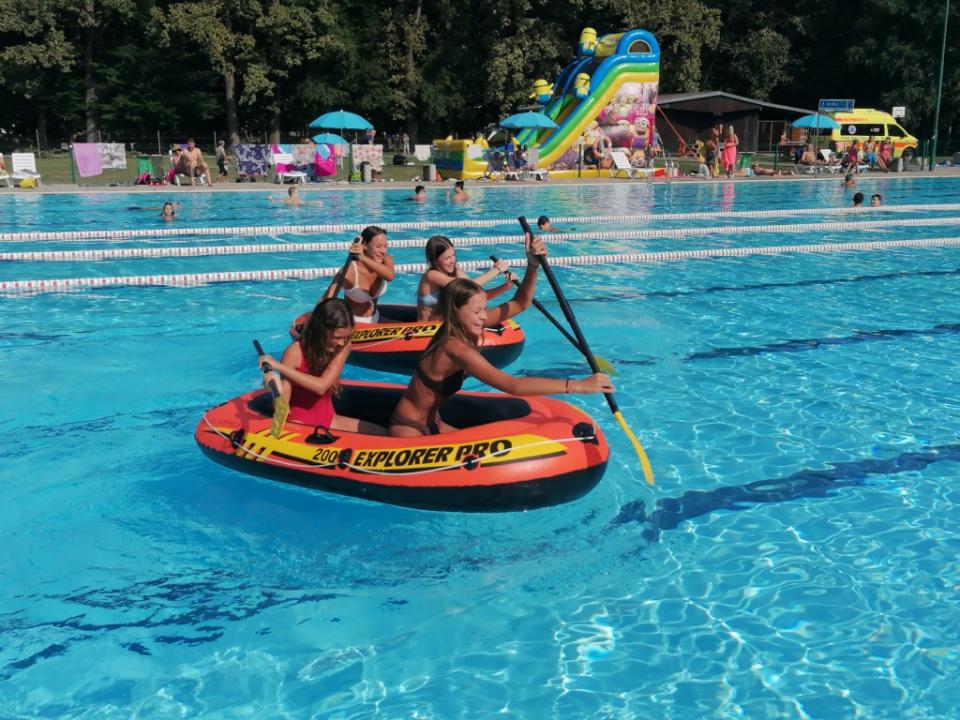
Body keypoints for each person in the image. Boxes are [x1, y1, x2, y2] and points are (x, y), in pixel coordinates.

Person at [388, 234, 613, 437]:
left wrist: (532, 266)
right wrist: (577, 386)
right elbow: (512, 385)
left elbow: (521, 303)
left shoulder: (466, 324)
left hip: (435, 422)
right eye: (477, 311)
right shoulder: (454, 347)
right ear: (456, 310)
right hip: (409, 427)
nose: (483, 317)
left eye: (484, 309)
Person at [257, 298, 386, 435]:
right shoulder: (295, 352)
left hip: (329, 419)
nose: (341, 343)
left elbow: (322, 386)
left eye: (345, 337)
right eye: (337, 337)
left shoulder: (344, 345)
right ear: (321, 331)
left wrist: (281, 367)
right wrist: (275, 387)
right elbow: (282, 412)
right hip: (299, 423)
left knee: (385, 434)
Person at [416, 235, 513, 321]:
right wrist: (497, 270)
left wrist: (507, 286)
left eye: (453, 255)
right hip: (425, 331)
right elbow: (470, 285)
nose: (453, 261)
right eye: (447, 258)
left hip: (445, 328)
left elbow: (474, 292)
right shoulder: (431, 275)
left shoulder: (455, 272)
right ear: (435, 260)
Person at [324, 225, 395, 323]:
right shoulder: (350, 271)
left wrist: (363, 258)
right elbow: (327, 299)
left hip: (375, 319)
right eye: (378, 246)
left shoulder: (386, 260)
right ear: (364, 245)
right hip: (354, 323)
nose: (383, 251)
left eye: (385, 246)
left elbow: (390, 276)